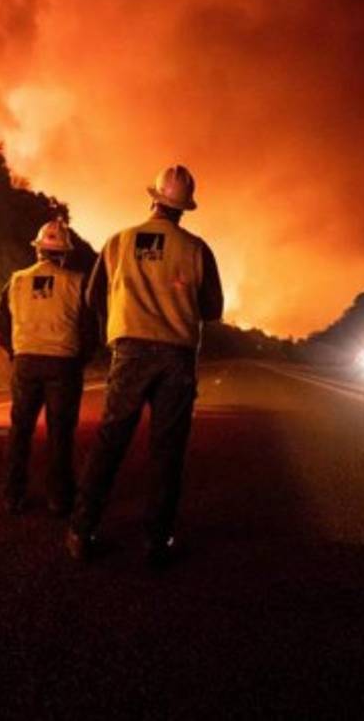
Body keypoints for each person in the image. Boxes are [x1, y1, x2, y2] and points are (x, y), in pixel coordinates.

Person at [66, 164, 223, 565]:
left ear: (153, 198)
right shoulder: (196, 249)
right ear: (184, 208)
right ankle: (156, 540)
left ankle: (81, 531)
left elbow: (92, 297)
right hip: (177, 356)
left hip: (130, 350)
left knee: (110, 442)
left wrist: (121, 321)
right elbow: (212, 309)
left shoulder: (118, 242)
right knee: (167, 451)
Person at [0, 218, 96, 516]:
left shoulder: (15, 282)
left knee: (20, 430)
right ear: (64, 253)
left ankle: (13, 495)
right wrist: (78, 359)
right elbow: (90, 330)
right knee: (60, 433)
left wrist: (16, 353)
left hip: (26, 362)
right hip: (64, 364)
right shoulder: (78, 282)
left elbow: (2, 325)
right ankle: (59, 498)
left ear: (38, 250)